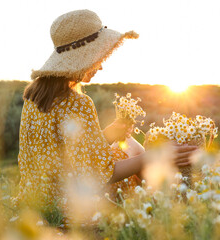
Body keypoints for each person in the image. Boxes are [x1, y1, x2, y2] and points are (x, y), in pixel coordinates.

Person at [14, 9, 197, 210]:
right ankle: (165, 205)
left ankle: (162, 202)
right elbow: (98, 176)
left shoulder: (33, 97)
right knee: (134, 149)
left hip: (38, 199)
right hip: (72, 204)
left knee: (125, 141)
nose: (100, 66)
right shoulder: (77, 103)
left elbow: (65, 154)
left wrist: (107, 135)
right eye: (98, 56)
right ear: (82, 57)